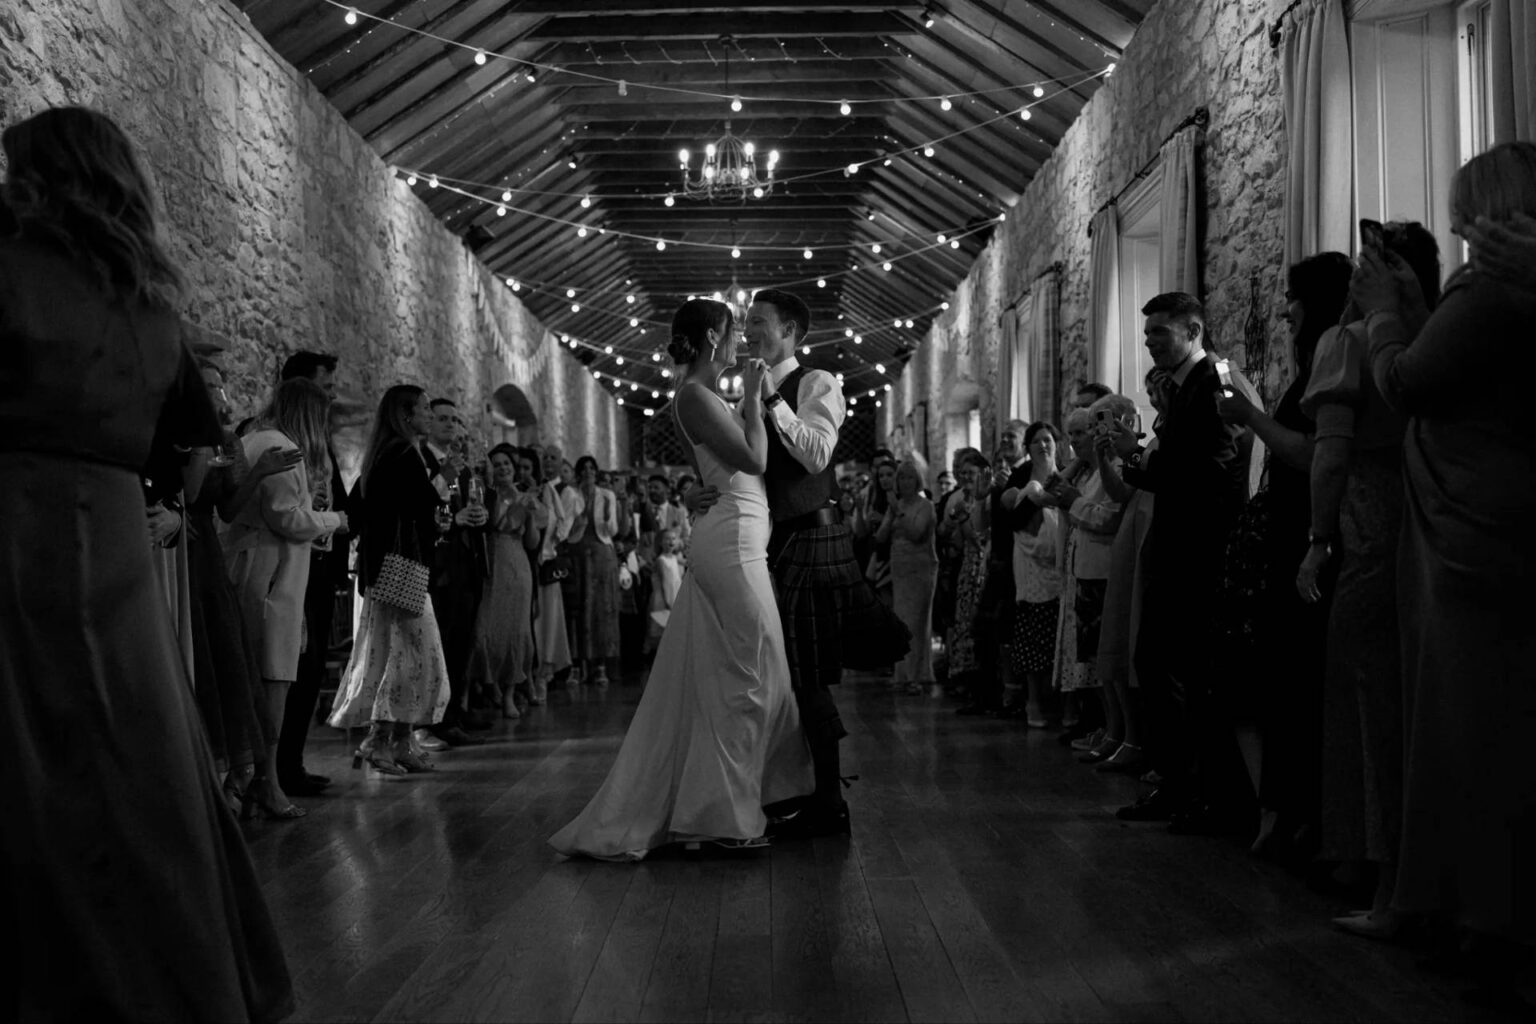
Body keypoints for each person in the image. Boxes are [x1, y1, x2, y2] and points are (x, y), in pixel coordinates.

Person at [0, 105, 292, 1022]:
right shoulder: (154, 310)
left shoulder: (9, 270)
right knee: (139, 766)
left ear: (42, 178)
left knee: (33, 763)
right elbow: (195, 459)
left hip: (17, 528)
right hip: (118, 544)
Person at [1355, 142, 1536, 963]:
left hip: (1474, 526)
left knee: (1465, 727)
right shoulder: (1506, 291)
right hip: (1484, 516)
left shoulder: (1495, 288)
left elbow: (1407, 384)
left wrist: (1386, 313)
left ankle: (1478, 919)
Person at [550, 299, 812, 859]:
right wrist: (754, 399)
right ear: (715, 337)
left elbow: (712, 471)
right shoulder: (696, 394)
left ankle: (721, 805)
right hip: (733, 546)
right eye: (734, 331)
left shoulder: (703, 395)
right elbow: (755, 459)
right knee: (752, 673)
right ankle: (723, 814)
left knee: (738, 673)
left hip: (738, 535)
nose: (741, 340)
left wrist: (696, 490)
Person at [1214, 252, 1352, 861]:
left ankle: (1304, 823)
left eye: (1293, 297)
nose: (1285, 310)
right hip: (1293, 531)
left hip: (1312, 537)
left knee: (1301, 684)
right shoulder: (1317, 360)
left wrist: (1249, 417)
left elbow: (1309, 452)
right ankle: (1294, 818)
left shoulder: (1333, 358)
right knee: (1288, 686)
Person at [1109, 292, 1254, 832]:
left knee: (1182, 672)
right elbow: (1178, 465)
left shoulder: (1212, 381)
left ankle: (1196, 793)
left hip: (1199, 548)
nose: (1149, 345)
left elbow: (1213, 465)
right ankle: (1178, 786)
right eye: (1147, 337)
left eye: (1159, 335)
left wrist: (1143, 459)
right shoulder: (1185, 386)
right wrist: (1136, 457)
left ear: (1193, 330)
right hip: (1180, 544)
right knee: (1159, 666)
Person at [224, 377, 348, 819]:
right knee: (272, 679)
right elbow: (286, 519)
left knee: (260, 677)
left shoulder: (257, 438)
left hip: (261, 566)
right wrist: (336, 518)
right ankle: (264, 781)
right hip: (270, 575)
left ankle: (253, 777)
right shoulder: (280, 447)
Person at [186, 358, 304, 811]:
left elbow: (229, 509)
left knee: (228, 657)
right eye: (208, 386)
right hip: (183, 541)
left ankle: (238, 776)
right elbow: (189, 496)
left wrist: (259, 471)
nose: (218, 395)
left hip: (208, 552)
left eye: (220, 386)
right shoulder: (185, 437)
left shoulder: (231, 441)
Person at [328, 384, 454, 773]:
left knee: (407, 653)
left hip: (390, 568)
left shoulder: (385, 452)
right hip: (399, 569)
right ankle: (378, 740)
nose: (429, 416)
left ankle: (399, 742)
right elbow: (423, 504)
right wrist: (443, 486)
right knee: (409, 656)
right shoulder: (401, 453)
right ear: (405, 414)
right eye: (424, 409)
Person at [276, 349, 355, 797]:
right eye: (325, 389)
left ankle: (292, 762)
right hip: (293, 569)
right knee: (290, 669)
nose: (330, 398)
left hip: (322, 568)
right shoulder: (282, 441)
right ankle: (280, 767)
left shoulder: (317, 438)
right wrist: (337, 521)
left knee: (307, 673)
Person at [420, 398, 489, 746]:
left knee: (462, 642)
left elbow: (467, 500)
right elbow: (425, 505)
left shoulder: (459, 465)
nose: (450, 425)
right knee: (441, 643)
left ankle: (454, 713)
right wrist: (452, 521)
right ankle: (435, 721)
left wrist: (479, 516)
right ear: (428, 424)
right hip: (440, 564)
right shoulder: (424, 460)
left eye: (454, 420)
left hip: (466, 562)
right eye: (442, 419)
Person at [956, 419, 1030, 716]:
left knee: (1009, 632)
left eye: (1012, 436)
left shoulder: (1027, 473)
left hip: (1019, 560)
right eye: (1003, 436)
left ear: (1024, 441)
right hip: (998, 561)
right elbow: (981, 527)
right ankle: (989, 695)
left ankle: (1014, 697)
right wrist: (983, 495)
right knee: (986, 629)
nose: (1005, 441)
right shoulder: (1001, 476)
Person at [467, 443, 541, 719]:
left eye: (506, 464)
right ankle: (486, 686)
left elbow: (533, 542)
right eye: (496, 464)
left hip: (517, 563)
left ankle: (510, 693)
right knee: (483, 631)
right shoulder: (484, 495)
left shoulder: (525, 497)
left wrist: (530, 515)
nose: (503, 468)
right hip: (490, 562)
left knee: (517, 632)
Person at [1002, 422, 1065, 726]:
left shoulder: (1066, 474)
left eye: (1048, 440)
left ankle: (1064, 706)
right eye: (1037, 441)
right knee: (1032, 640)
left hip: (1060, 563)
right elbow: (1011, 519)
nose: (1043, 446)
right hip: (1029, 563)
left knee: (1059, 640)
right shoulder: (1019, 477)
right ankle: (1035, 705)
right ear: (1028, 448)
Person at [877, 461, 938, 695]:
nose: (905, 483)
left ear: (918, 481)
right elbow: (881, 537)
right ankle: (902, 674)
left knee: (918, 621)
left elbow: (916, 533)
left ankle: (917, 675)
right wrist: (892, 512)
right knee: (901, 619)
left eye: (910, 478)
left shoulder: (926, 506)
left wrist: (899, 514)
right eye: (901, 478)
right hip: (900, 567)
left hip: (921, 567)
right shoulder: (896, 505)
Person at [568, 454, 621, 684]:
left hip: (602, 554)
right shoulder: (571, 494)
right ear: (579, 472)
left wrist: (609, 514)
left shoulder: (607, 495)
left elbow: (612, 531)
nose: (588, 471)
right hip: (579, 554)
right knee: (580, 607)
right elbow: (567, 530)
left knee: (602, 608)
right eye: (584, 468)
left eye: (592, 468)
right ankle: (579, 664)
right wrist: (580, 517)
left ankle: (600, 664)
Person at [534, 444, 575, 697]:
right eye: (545, 458)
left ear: (561, 462)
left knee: (550, 615)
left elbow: (564, 527)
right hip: (534, 557)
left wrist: (547, 542)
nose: (548, 462)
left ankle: (547, 666)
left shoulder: (566, 492)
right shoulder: (538, 488)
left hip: (550, 557)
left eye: (553, 458)